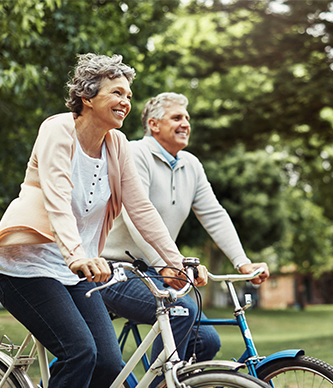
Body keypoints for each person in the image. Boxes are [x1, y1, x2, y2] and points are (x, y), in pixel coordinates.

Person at [0, 57, 207, 388]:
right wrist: (76, 254)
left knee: (109, 364)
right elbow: (56, 198)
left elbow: (141, 209)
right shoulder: (57, 130)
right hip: (26, 268)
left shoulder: (117, 146)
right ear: (87, 97)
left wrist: (176, 263)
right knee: (80, 353)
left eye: (129, 96)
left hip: (77, 273)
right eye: (117, 93)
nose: (126, 102)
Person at [101, 92, 270, 386]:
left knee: (206, 340)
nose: (185, 124)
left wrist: (242, 262)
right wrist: (166, 263)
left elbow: (214, 215)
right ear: (153, 124)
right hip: (113, 269)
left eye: (187, 119)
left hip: (156, 271)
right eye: (177, 118)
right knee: (182, 311)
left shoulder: (190, 164)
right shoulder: (134, 154)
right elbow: (136, 214)